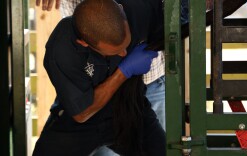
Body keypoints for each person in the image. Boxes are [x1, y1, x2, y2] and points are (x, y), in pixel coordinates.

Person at [32, 0, 166, 155]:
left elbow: (184, 14)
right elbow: (81, 113)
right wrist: (124, 71)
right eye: (116, 51)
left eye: (126, 46)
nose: (124, 54)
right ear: (83, 43)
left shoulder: (139, 10)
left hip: (128, 109)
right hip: (81, 118)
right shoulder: (62, 50)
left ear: (121, 9)